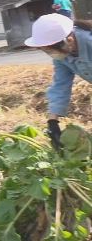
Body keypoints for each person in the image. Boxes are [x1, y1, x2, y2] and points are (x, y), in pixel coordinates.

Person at [24, 13, 92, 149]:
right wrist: (52, 121)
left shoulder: (89, 41)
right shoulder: (63, 55)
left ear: (68, 41)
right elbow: (60, 85)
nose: (51, 55)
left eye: (50, 50)